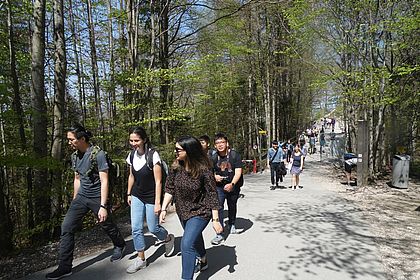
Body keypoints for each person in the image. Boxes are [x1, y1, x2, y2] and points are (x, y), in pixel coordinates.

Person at [46, 125, 126, 280]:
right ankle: (64, 267)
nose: (69, 142)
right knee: (66, 227)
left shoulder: (98, 154)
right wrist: (75, 199)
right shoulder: (75, 156)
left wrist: (103, 206)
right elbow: (77, 178)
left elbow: (104, 180)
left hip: (97, 197)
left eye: (71, 139)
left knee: (106, 224)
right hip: (81, 197)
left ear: (82, 139)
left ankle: (120, 245)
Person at [159, 136, 222, 280]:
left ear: (189, 151)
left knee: (186, 244)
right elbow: (169, 189)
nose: (175, 152)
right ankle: (203, 259)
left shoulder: (204, 169)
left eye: (178, 150)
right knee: (194, 238)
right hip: (183, 210)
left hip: (201, 211)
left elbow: (212, 194)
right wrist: (163, 208)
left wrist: (216, 219)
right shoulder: (176, 167)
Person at [125, 126, 175, 274]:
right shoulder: (131, 155)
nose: (134, 143)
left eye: (137, 140)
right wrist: (128, 193)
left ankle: (167, 238)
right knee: (136, 228)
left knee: (153, 228)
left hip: (151, 197)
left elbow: (158, 181)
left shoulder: (153, 155)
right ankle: (141, 259)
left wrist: (158, 203)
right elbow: (131, 176)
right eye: (131, 140)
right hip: (137, 195)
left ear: (144, 139)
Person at [211, 133, 243, 245]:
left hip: (233, 186)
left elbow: (238, 172)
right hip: (219, 187)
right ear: (215, 145)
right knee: (218, 207)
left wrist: (232, 184)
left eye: (222, 142)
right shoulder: (214, 158)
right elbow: (210, 172)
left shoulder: (235, 155)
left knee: (232, 205)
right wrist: (215, 177)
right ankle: (219, 234)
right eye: (217, 143)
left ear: (227, 143)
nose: (220, 145)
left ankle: (232, 223)